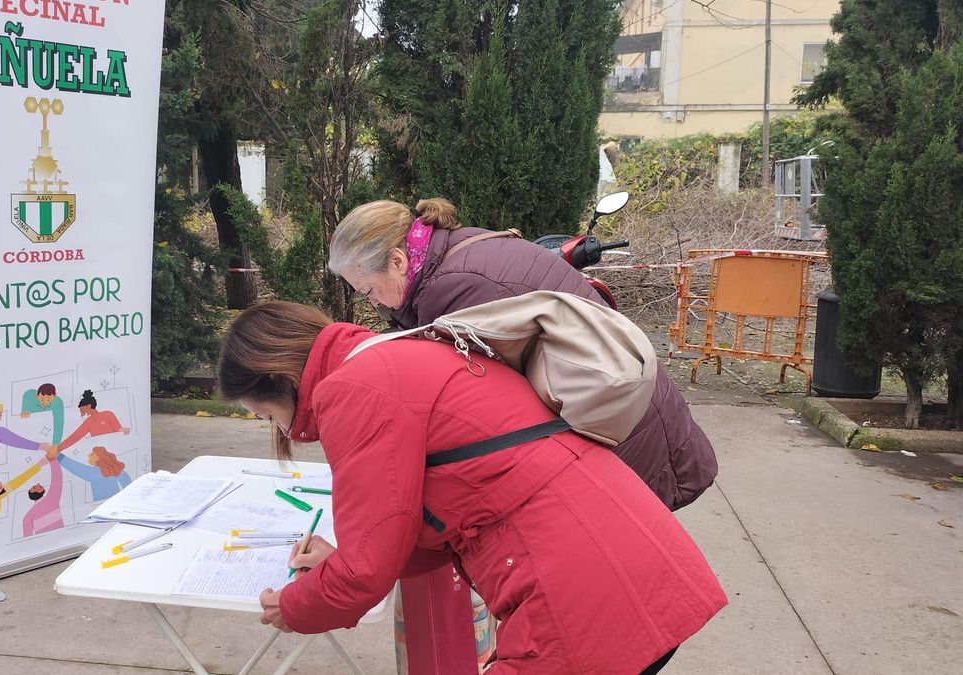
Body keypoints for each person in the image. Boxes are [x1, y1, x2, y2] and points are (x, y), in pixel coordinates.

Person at [217, 303, 726, 674]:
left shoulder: (354, 389)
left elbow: (365, 572)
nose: (278, 429)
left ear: (279, 379)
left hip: (577, 589)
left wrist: (293, 606)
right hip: (621, 553)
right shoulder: (398, 354)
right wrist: (342, 561)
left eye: (266, 414)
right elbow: (409, 530)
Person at [328, 197, 719, 673]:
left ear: (396, 260)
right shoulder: (455, 253)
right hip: (622, 409)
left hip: (617, 429)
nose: (372, 303)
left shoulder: (450, 289)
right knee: (624, 599)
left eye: (369, 291)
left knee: (608, 607)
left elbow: (485, 406)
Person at [54, 389, 130, 452]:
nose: (81, 414)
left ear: (89, 406)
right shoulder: (88, 422)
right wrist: (58, 449)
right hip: (100, 451)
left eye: (83, 411)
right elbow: (75, 437)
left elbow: (118, 429)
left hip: (114, 448)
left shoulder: (108, 414)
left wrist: (125, 430)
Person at [57, 445, 131, 501]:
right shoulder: (118, 470)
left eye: (92, 454)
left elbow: (76, 468)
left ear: (97, 458)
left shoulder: (94, 472)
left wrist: (59, 456)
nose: (89, 455)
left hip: (102, 506)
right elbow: (130, 485)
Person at [22, 447, 66, 536]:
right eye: (35, 487)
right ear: (34, 493)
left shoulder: (28, 516)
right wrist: (52, 460)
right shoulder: (52, 499)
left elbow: (26, 539)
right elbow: (57, 479)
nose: (38, 484)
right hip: (62, 537)